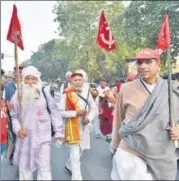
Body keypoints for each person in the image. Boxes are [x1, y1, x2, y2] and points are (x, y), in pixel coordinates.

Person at [111, 48, 179, 180]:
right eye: (139, 63)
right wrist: (115, 144)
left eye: (148, 62)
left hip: (162, 151)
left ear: (159, 65)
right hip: (131, 149)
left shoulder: (172, 89)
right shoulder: (127, 88)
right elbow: (118, 118)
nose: (143, 66)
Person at [10, 66, 64, 180]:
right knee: (25, 170)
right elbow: (13, 116)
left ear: (37, 79)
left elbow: (54, 112)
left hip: (43, 137)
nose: (30, 82)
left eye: (33, 79)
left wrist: (58, 132)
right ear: (23, 80)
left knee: (44, 168)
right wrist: (17, 129)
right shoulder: (17, 95)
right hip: (25, 137)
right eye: (27, 78)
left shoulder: (44, 93)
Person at [58, 72, 97, 180]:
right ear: (70, 82)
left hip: (84, 127)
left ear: (83, 81)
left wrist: (88, 118)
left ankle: (68, 165)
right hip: (71, 127)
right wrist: (75, 113)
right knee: (75, 157)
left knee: (81, 150)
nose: (78, 82)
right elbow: (60, 112)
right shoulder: (66, 94)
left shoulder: (87, 94)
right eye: (75, 80)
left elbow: (94, 109)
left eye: (80, 79)